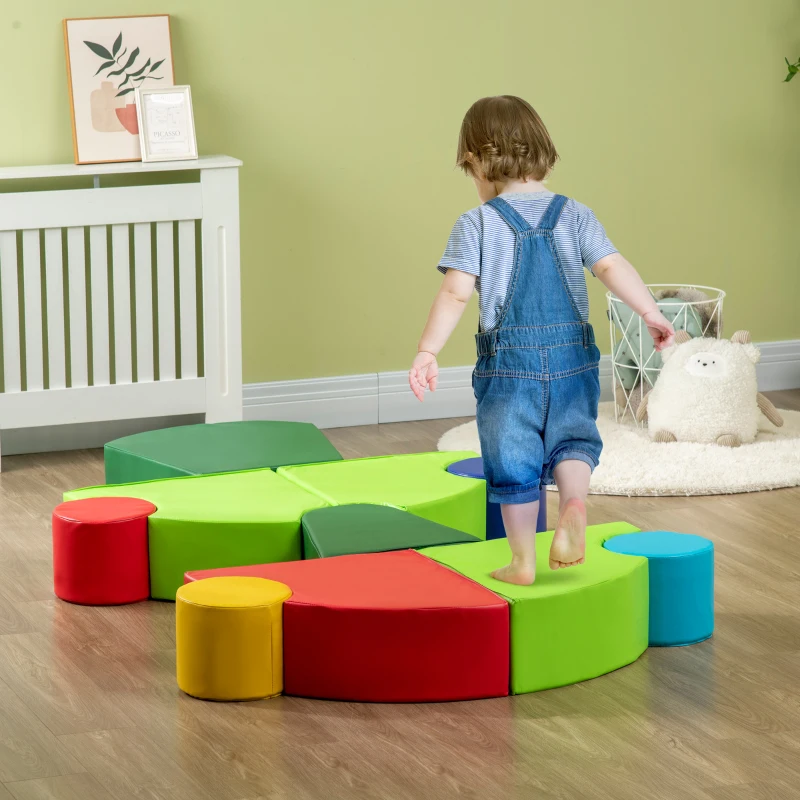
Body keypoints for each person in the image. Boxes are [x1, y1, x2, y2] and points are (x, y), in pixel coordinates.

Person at [409, 95, 674, 585]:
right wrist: (649, 311)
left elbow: (455, 292)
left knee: (513, 457)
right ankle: (573, 505)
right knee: (573, 439)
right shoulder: (574, 213)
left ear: (476, 162)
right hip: (573, 359)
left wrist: (428, 350)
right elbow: (611, 266)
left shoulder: (477, 223)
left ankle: (522, 561)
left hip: (510, 367)